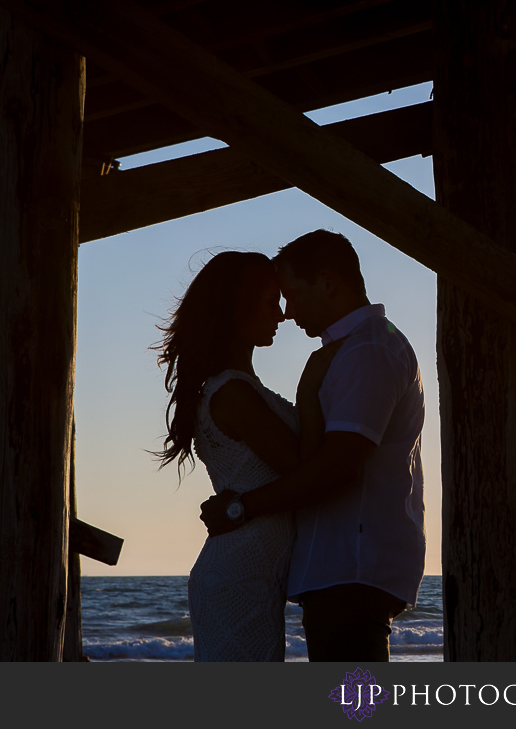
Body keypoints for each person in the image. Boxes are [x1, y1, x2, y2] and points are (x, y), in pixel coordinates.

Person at [200, 230, 426, 662]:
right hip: (339, 570)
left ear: (328, 282)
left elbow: (339, 466)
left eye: (291, 294)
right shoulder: (350, 351)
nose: (288, 311)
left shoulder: (368, 351)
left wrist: (242, 507)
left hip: (351, 568)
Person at [154, 251, 335, 661]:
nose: (282, 314)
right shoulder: (232, 393)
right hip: (239, 575)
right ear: (239, 306)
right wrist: (309, 390)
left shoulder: (242, 388)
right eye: (272, 300)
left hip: (251, 572)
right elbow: (304, 469)